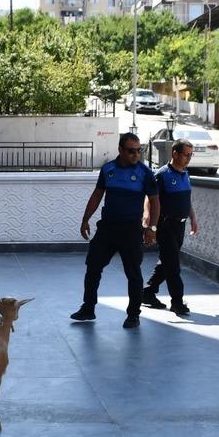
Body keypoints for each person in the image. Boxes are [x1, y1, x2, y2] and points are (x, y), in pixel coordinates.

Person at [71, 132, 160, 329]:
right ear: (120, 150)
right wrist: (85, 219)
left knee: (133, 273)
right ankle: (88, 308)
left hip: (131, 230)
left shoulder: (145, 173)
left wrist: (151, 228)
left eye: (139, 150)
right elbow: (97, 195)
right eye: (131, 151)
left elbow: (155, 202)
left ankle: (133, 314)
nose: (135, 154)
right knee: (93, 267)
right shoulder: (108, 169)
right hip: (108, 228)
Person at [143, 139, 199, 314]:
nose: (189, 158)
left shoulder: (185, 173)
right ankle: (177, 302)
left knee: (167, 261)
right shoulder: (162, 174)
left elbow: (186, 200)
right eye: (186, 155)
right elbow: (149, 198)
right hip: (165, 225)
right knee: (173, 265)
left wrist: (193, 217)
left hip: (180, 226)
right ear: (175, 153)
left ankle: (148, 292)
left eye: (191, 155)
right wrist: (148, 223)